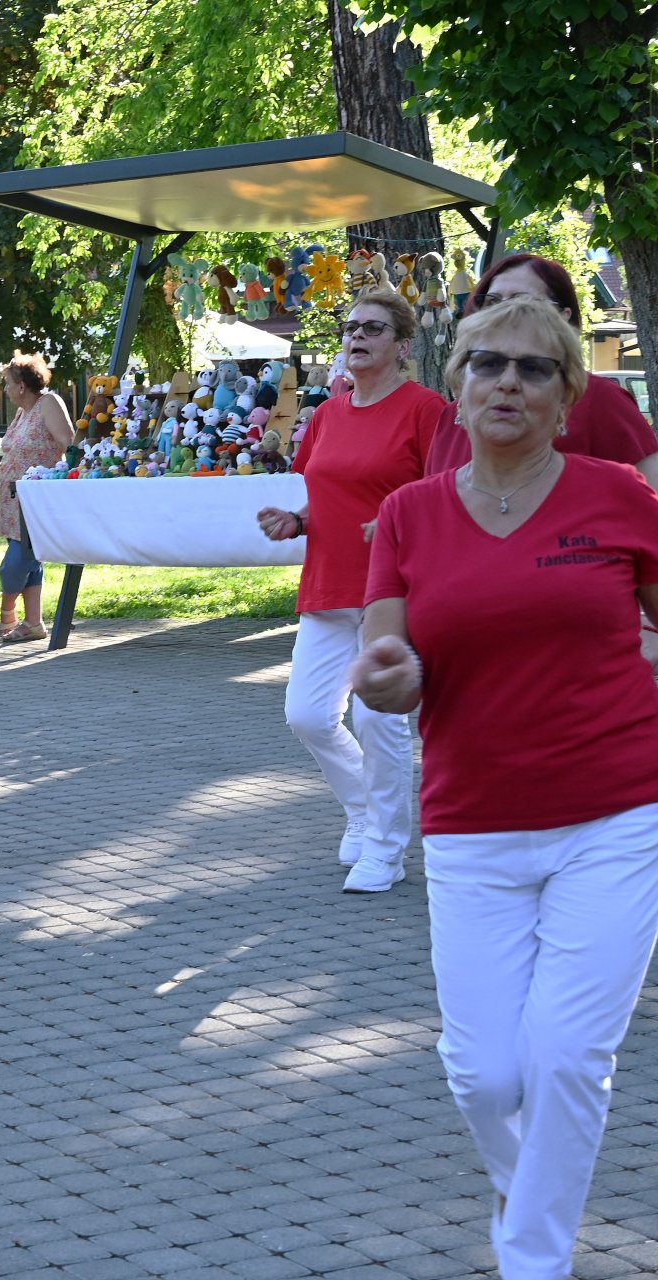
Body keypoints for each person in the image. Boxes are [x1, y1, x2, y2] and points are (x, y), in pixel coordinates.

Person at [350, 296, 658, 1280]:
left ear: (567, 395)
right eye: (489, 364)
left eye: (534, 369)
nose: (509, 382)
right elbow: (380, 657)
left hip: (616, 814)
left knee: (568, 1055)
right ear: (459, 384)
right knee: (483, 1069)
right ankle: (527, 1192)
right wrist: (386, 677)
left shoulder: (617, 497)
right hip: (473, 824)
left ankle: (533, 1257)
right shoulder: (409, 513)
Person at [257, 287, 445, 894]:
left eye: (372, 328)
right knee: (308, 715)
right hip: (328, 582)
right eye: (351, 327)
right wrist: (300, 520)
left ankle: (386, 851)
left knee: (377, 720)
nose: (356, 336)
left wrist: (397, 523)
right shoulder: (329, 413)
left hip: (392, 588)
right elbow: (326, 490)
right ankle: (364, 812)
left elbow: (446, 495)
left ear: (402, 345)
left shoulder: (426, 410)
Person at [425, 253, 658, 486]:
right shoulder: (453, 413)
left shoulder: (600, 398)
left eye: (521, 302)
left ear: (562, 318)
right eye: (492, 301)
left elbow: (651, 495)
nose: (503, 313)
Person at [0, 354, 76, 642]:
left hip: (37, 498)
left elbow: (69, 442)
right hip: (12, 499)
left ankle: (8, 609)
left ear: (21, 386)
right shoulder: (22, 412)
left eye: (7, 383)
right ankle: (33, 623)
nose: (4, 389)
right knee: (30, 560)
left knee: (15, 562)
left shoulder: (48, 403)